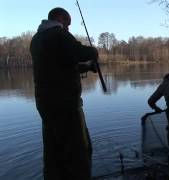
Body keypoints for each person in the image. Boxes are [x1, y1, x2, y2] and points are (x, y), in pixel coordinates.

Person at [30, 7, 97, 180]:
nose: (68, 28)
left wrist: (87, 67)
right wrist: (93, 52)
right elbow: (80, 52)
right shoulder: (58, 34)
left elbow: (60, 65)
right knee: (80, 151)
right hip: (66, 105)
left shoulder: (37, 39)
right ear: (60, 18)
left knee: (53, 151)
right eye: (67, 24)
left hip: (46, 105)